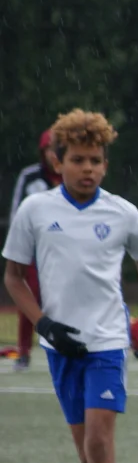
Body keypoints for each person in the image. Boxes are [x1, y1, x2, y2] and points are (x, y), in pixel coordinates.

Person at [2, 109, 138, 463]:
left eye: (96, 160)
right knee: (88, 456)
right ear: (58, 161)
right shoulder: (34, 211)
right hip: (61, 349)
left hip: (107, 344)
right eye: (78, 159)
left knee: (99, 444)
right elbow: (13, 278)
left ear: (105, 164)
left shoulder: (121, 212)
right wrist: (44, 324)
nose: (88, 168)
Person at [8, 129, 60, 372]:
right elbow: (16, 212)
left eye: (57, 149)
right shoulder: (30, 177)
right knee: (28, 297)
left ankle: (67, 346)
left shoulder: (71, 176)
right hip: (33, 251)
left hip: (62, 251)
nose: (53, 155)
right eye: (49, 149)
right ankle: (24, 351)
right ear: (43, 152)